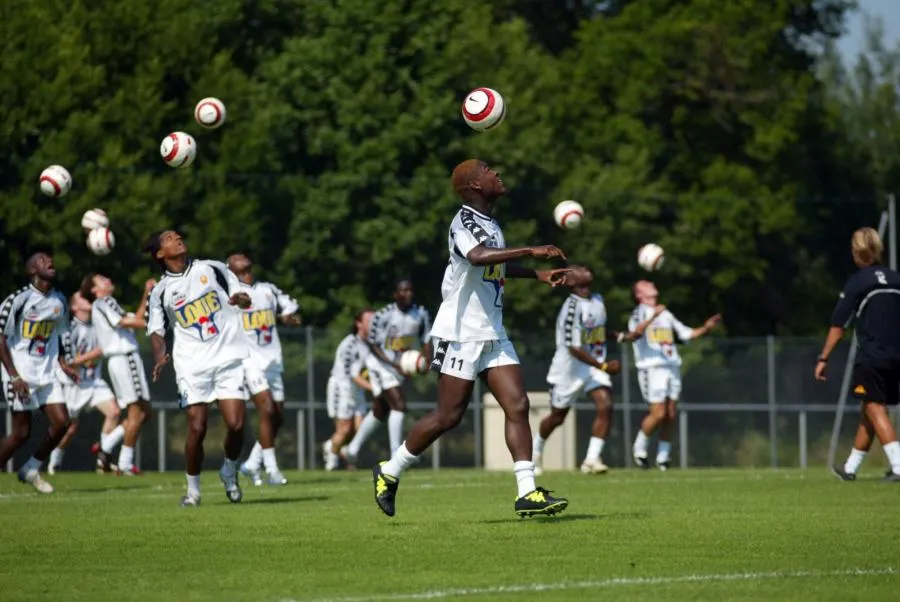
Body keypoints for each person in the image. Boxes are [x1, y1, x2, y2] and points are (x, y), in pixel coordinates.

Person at [372, 159, 573, 518]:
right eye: (487, 169)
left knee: (519, 405)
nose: (496, 171)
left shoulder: (491, 223)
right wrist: (530, 250)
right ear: (474, 186)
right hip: (460, 334)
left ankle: (527, 492)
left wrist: (535, 274)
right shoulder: (462, 220)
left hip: (492, 331)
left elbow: (495, 263)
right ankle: (390, 471)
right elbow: (478, 256)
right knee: (449, 416)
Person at [145, 230, 252, 506]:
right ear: (159, 253)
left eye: (177, 235)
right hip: (192, 364)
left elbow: (241, 294)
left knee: (237, 424)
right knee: (197, 427)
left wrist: (242, 300)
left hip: (228, 355)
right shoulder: (160, 292)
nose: (177, 238)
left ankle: (229, 470)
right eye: (169, 238)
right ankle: (193, 491)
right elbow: (156, 330)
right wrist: (160, 356)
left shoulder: (212, 268)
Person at [818, 227, 900, 482]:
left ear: (856, 252)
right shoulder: (896, 279)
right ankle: (851, 468)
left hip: (872, 357)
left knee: (875, 408)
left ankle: (898, 465)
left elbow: (838, 325)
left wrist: (823, 358)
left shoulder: (857, 283)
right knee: (869, 408)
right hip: (896, 356)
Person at [621, 281, 720, 470]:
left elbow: (686, 334)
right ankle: (639, 448)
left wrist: (706, 328)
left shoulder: (665, 313)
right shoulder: (639, 312)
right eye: (646, 284)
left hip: (671, 365)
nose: (651, 284)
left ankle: (663, 457)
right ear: (639, 294)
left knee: (671, 414)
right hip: (652, 368)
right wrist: (653, 316)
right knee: (658, 413)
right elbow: (635, 334)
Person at [0, 252, 77, 493]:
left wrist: (63, 362)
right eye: (42, 260)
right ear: (32, 269)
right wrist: (13, 376)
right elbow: (0, 339)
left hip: (47, 372)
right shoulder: (17, 300)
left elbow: (61, 333)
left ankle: (31, 468)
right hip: (20, 373)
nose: (49, 261)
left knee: (62, 422)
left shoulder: (60, 300)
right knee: (21, 434)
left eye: (50, 259)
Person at [533, 268, 621, 475]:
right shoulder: (571, 308)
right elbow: (573, 348)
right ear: (570, 282)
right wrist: (604, 366)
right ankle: (535, 452)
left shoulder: (598, 300)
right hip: (568, 369)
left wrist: (622, 336)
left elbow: (594, 333)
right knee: (557, 418)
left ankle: (591, 459)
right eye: (577, 270)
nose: (583, 270)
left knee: (605, 404)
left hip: (591, 368)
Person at [227, 254, 300, 487]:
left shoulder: (268, 290)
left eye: (248, 267)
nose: (246, 272)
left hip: (273, 360)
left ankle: (251, 464)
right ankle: (272, 470)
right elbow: (228, 307)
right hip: (250, 362)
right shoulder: (228, 292)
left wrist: (290, 318)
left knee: (277, 418)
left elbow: (288, 309)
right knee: (267, 410)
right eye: (240, 269)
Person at [344, 279, 431, 462]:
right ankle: (396, 455)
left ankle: (352, 449)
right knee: (399, 405)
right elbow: (373, 345)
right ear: (395, 294)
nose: (407, 293)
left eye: (410, 290)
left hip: (400, 366)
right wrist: (393, 364)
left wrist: (427, 362)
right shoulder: (383, 315)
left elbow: (426, 339)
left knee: (380, 410)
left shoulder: (421, 314)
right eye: (403, 290)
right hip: (379, 364)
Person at [80, 272, 155, 475]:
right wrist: (158, 323)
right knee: (137, 413)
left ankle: (106, 445)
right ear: (94, 290)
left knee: (146, 413)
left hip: (123, 361)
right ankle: (124, 463)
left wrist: (147, 293)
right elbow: (125, 322)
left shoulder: (107, 305)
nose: (109, 280)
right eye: (102, 280)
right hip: (125, 359)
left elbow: (135, 318)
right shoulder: (104, 302)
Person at [48, 292, 120, 474]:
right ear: (74, 307)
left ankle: (103, 459)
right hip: (74, 385)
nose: (88, 300)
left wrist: (89, 357)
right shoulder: (69, 329)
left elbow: (106, 348)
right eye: (82, 298)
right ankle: (54, 463)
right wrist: (94, 354)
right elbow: (67, 361)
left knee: (114, 412)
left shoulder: (97, 324)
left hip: (94, 382)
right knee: (69, 428)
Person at [323, 309, 373, 471]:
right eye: (369, 321)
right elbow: (352, 375)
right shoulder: (350, 344)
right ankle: (331, 455)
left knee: (362, 428)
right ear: (359, 324)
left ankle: (343, 449)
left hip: (357, 390)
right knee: (344, 429)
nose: (373, 324)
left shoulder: (370, 344)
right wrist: (375, 388)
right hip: (342, 387)